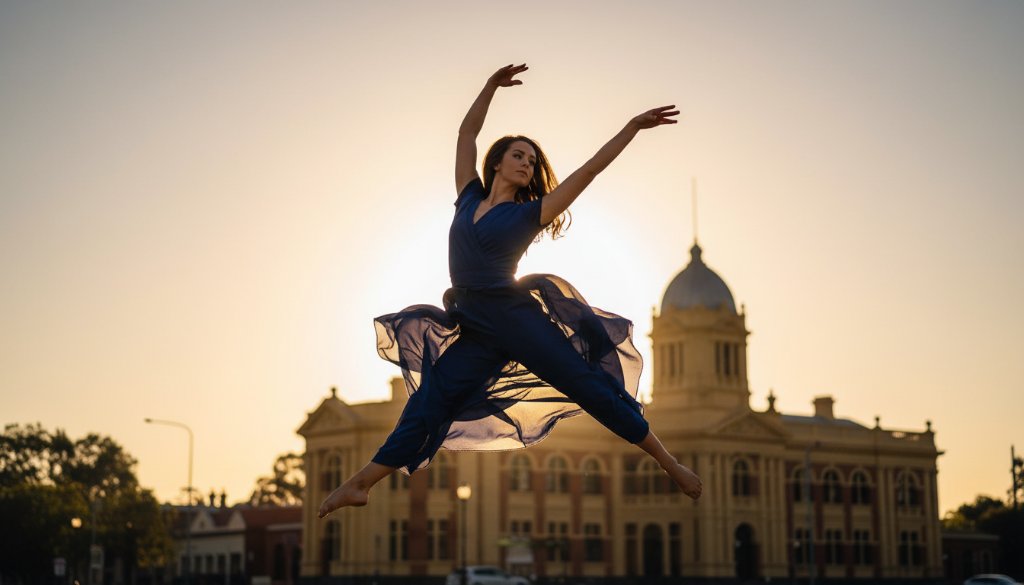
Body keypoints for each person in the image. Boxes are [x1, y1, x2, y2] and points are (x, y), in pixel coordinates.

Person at [319, 64, 702, 518]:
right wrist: (489, 87)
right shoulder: (467, 197)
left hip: (515, 318)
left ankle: (668, 462)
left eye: (533, 161)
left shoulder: (530, 213)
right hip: (475, 325)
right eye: (519, 156)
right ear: (497, 161)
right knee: (428, 401)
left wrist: (631, 129)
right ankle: (361, 483)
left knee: (587, 385)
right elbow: (466, 132)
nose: (528, 164)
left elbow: (590, 171)